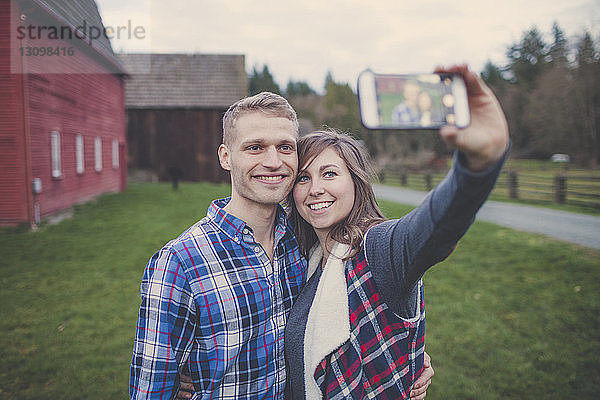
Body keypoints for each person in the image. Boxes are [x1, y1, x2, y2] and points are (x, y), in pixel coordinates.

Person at [130, 91, 434, 399]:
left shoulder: (303, 242)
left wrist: (407, 354)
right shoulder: (180, 263)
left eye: (285, 147)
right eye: (255, 147)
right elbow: (151, 388)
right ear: (225, 156)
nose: (273, 162)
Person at [282, 64, 509, 399]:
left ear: (356, 182)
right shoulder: (301, 261)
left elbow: (436, 224)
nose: (315, 188)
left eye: (329, 173)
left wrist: (477, 165)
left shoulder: (379, 249)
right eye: (304, 177)